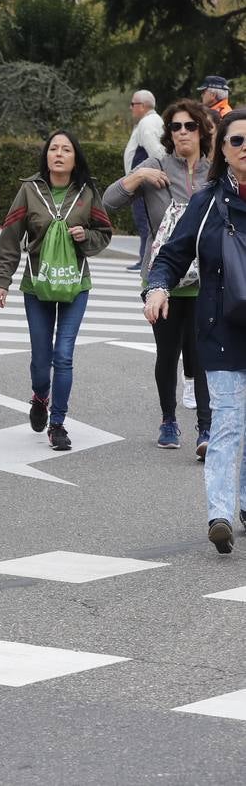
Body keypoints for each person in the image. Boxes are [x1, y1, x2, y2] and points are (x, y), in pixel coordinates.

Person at [146, 109, 246, 553]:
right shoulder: (207, 202)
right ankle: (220, 514)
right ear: (222, 150)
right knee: (227, 420)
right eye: (237, 141)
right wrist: (158, 286)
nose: (245, 148)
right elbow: (173, 252)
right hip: (220, 328)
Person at [0, 131, 113, 451]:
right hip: (37, 283)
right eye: (53, 149)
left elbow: (104, 231)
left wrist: (84, 236)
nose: (58, 154)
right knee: (41, 357)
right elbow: (10, 236)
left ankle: (57, 423)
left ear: (76, 158)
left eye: (66, 149)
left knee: (63, 355)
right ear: (46, 156)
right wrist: (2, 280)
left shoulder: (87, 191)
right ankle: (39, 396)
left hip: (75, 284)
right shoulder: (29, 190)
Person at [106, 99, 214, 455]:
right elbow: (108, 202)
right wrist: (137, 176)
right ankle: (169, 420)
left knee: (200, 356)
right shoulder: (156, 166)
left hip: (207, 279)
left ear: (202, 130)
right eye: (176, 127)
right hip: (162, 281)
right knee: (167, 353)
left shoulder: (215, 171)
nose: (182, 132)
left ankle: (205, 429)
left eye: (190, 126)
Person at [123, 90, 166, 271]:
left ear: (142, 106)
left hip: (143, 180)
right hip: (144, 178)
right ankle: (145, 258)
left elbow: (156, 151)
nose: (131, 108)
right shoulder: (154, 120)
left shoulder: (147, 123)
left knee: (143, 219)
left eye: (133, 104)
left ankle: (145, 259)